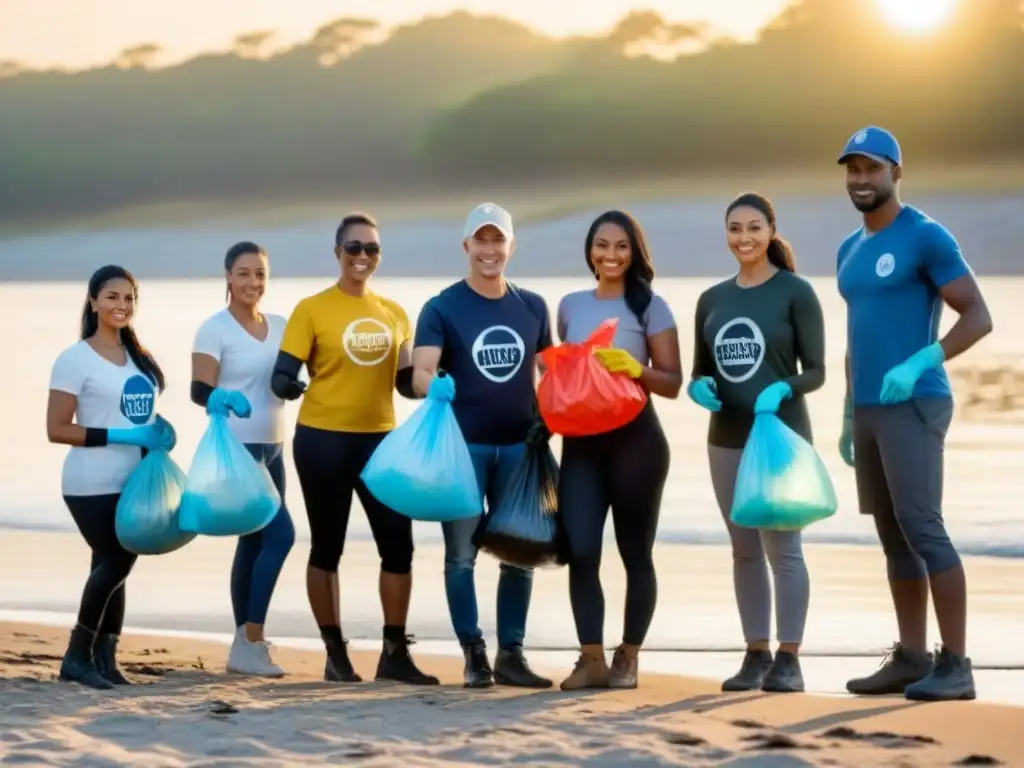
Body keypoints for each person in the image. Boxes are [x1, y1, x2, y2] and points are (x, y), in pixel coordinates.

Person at [835, 126, 993, 702]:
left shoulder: (925, 236)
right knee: (892, 536)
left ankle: (957, 664)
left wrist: (925, 357)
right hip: (871, 409)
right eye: (852, 169)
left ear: (896, 173)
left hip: (916, 400)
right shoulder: (848, 250)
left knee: (923, 526)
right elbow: (856, 334)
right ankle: (910, 657)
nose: (861, 179)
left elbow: (977, 315)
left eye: (872, 168)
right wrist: (850, 413)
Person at [270, 213, 437, 686]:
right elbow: (281, 373)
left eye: (372, 249)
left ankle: (394, 652)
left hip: (380, 442)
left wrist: (434, 385)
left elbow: (406, 383)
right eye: (354, 248)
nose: (363, 256)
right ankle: (334, 652)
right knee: (328, 547)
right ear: (338, 252)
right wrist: (290, 382)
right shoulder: (312, 309)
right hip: (322, 440)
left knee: (398, 547)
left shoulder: (394, 313)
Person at [411, 202, 553, 689]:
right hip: (463, 450)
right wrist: (434, 385)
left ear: (511, 247)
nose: (490, 250)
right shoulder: (442, 307)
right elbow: (419, 372)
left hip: (520, 448)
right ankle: (474, 654)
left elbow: (550, 373)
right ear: (466, 246)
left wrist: (559, 414)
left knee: (520, 552)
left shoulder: (532, 306)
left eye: (499, 241)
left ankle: (512, 654)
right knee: (461, 556)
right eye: (481, 240)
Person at [689, 193, 825, 694]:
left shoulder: (796, 292)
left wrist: (784, 386)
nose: (743, 237)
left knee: (783, 550)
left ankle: (789, 658)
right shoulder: (712, 298)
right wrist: (696, 387)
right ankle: (755, 653)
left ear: (771, 230)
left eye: (752, 227)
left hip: (780, 435)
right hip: (725, 438)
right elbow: (701, 370)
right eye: (734, 228)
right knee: (743, 549)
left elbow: (817, 371)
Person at [555, 210, 682, 691]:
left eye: (621, 246)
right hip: (581, 446)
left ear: (635, 252)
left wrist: (635, 367)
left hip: (637, 444)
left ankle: (628, 656)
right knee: (582, 550)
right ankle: (591, 658)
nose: (610, 255)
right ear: (590, 250)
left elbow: (672, 382)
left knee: (635, 553)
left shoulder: (652, 307)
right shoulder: (569, 305)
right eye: (602, 245)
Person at [46, 265, 176, 689]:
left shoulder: (137, 359)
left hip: (133, 478)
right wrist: (122, 435)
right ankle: (76, 656)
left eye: (129, 298)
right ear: (93, 301)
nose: (122, 305)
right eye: (112, 297)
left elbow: (136, 413)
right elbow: (57, 428)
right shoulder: (74, 359)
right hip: (89, 482)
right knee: (119, 558)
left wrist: (158, 433)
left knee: (112, 564)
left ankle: (106, 658)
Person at [191, 241, 295, 677]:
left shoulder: (282, 324)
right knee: (280, 537)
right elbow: (198, 389)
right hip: (238, 450)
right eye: (245, 273)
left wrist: (293, 387)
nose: (254, 282)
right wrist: (222, 397)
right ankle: (252, 638)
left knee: (253, 542)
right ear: (228, 276)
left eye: (260, 275)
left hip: (274, 447)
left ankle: (241, 644)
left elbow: (287, 378)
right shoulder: (213, 328)